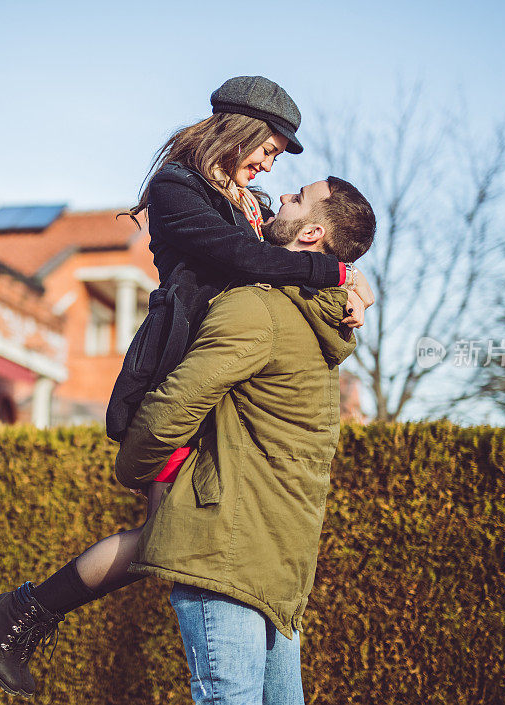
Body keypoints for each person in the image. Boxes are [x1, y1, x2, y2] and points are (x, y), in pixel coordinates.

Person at [0, 76, 373, 699]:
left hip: (225, 389)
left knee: (159, 540)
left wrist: (350, 287)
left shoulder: (248, 200)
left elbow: (297, 241)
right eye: (269, 146)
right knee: (166, 538)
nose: (271, 163)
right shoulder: (177, 191)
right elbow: (252, 262)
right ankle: (23, 615)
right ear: (238, 130)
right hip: (177, 377)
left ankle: (22, 613)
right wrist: (338, 272)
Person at [115, 176, 377, 703]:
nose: (281, 196)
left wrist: (131, 467)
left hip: (225, 549)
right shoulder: (324, 325)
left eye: (297, 198)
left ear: (311, 234)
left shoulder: (258, 311)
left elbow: (176, 404)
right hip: (280, 554)